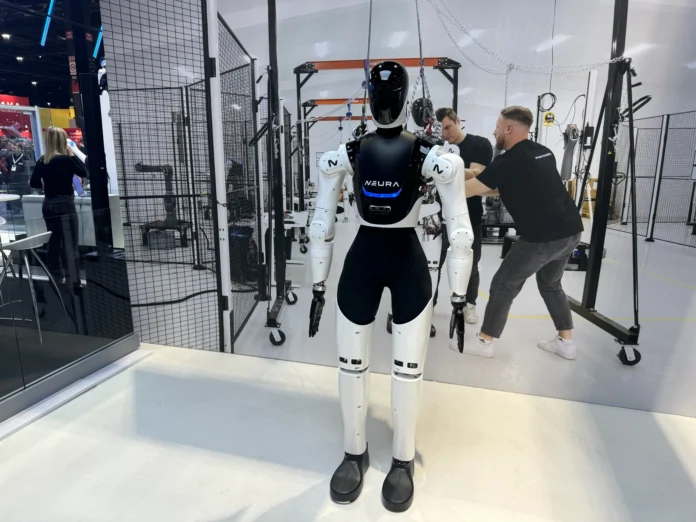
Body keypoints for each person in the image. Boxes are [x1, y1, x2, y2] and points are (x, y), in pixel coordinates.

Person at [307, 61, 473, 512]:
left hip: (401, 259)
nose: (383, 101)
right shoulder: (350, 152)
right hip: (369, 258)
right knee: (350, 364)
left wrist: (459, 298)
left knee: (407, 368)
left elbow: (460, 230)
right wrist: (317, 286)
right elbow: (320, 221)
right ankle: (354, 451)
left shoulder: (429, 155)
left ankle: (403, 459)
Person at [464, 106, 583, 360]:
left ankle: (485, 342)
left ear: (509, 128)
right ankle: (566, 342)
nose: (494, 132)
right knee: (550, 283)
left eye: (497, 127)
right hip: (571, 232)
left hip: (543, 238)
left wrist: (442, 180)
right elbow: (502, 186)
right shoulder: (542, 152)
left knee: (503, 284)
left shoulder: (509, 160)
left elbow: (469, 190)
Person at [434, 107, 493, 326]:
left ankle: (470, 305)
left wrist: (444, 166)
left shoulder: (479, 144)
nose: (445, 134)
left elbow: (477, 173)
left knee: (471, 263)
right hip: (439, 217)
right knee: (434, 264)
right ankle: (429, 304)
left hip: (469, 215)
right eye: (442, 130)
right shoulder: (438, 146)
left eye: (448, 127)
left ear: (458, 121)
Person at [29, 127, 88, 287]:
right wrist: (72, 154)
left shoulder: (42, 160)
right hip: (65, 204)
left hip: (48, 204)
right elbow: (83, 172)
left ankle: (55, 279)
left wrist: (48, 186)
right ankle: (73, 281)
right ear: (62, 141)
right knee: (71, 244)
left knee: (54, 244)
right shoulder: (66, 160)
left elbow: (34, 183)